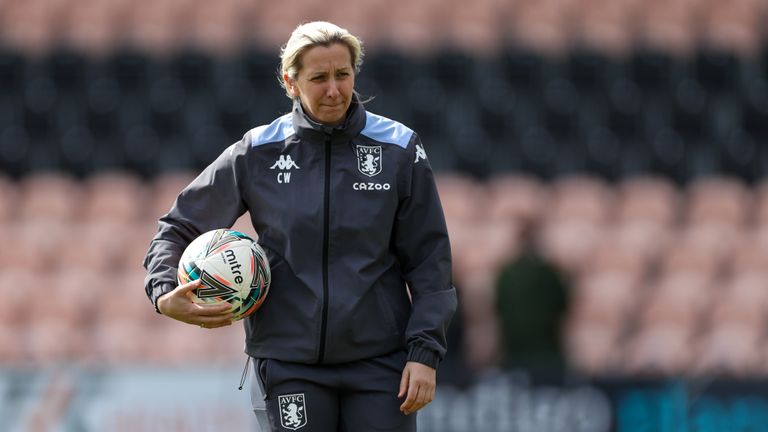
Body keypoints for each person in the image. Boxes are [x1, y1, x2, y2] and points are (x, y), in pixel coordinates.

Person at [143, 21, 457, 432]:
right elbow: (179, 226)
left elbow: (430, 259)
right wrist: (165, 292)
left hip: (383, 365)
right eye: (319, 78)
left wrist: (424, 352)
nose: (334, 90)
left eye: (343, 75)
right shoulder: (257, 151)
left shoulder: (399, 148)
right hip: (288, 364)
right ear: (291, 82)